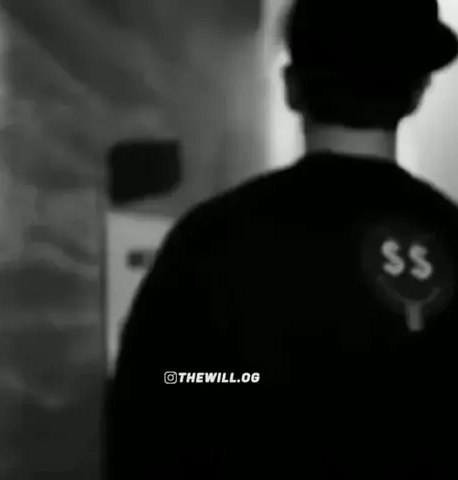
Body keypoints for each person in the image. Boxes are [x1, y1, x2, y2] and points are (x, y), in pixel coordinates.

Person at [106, 0, 458, 478]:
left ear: (291, 88)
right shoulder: (455, 242)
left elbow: (156, 403)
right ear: (417, 91)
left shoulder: (210, 241)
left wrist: (246, 378)